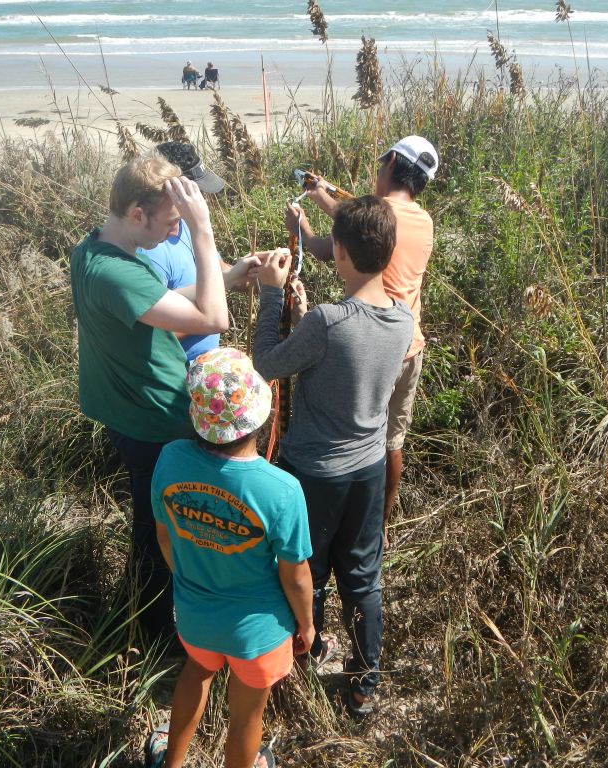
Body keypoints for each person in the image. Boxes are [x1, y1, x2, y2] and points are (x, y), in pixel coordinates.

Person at [70, 155, 256, 646]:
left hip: (129, 413)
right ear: (137, 213)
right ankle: (156, 634)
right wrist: (203, 232)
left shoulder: (91, 251)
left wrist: (231, 274)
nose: (174, 232)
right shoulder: (118, 272)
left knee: (155, 520)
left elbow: (164, 303)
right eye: (170, 221)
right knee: (166, 533)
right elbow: (215, 320)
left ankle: (149, 617)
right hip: (156, 420)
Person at [255, 195, 413, 716]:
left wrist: (272, 297)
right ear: (389, 252)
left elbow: (268, 364)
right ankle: (366, 682)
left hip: (315, 474)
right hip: (367, 469)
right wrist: (306, 317)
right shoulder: (403, 320)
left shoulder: (327, 321)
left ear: (338, 251)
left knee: (309, 572)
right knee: (363, 576)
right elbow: (350, 351)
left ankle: (302, 663)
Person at [145, 347, 314, 768]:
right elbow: (296, 577)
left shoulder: (170, 459)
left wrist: (190, 580)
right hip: (256, 635)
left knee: (195, 673)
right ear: (260, 414)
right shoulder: (282, 490)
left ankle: (172, 763)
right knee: (246, 717)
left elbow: (165, 537)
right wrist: (307, 625)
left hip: (195, 615)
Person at [285, 135, 437, 551]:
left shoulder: (376, 215)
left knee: (356, 437)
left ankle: (328, 526)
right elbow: (334, 238)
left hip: (371, 347)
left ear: (389, 163)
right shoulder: (423, 220)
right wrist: (319, 207)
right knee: (392, 441)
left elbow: (338, 235)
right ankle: (377, 526)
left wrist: (310, 202)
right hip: (410, 343)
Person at [138, 141, 252, 361]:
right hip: (181, 378)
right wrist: (205, 312)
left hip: (207, 373)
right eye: (196, 191)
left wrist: (254, 272)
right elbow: (158, 333)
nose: (202, 200)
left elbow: (220, 270)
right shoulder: (150, 250)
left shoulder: (189, 227)